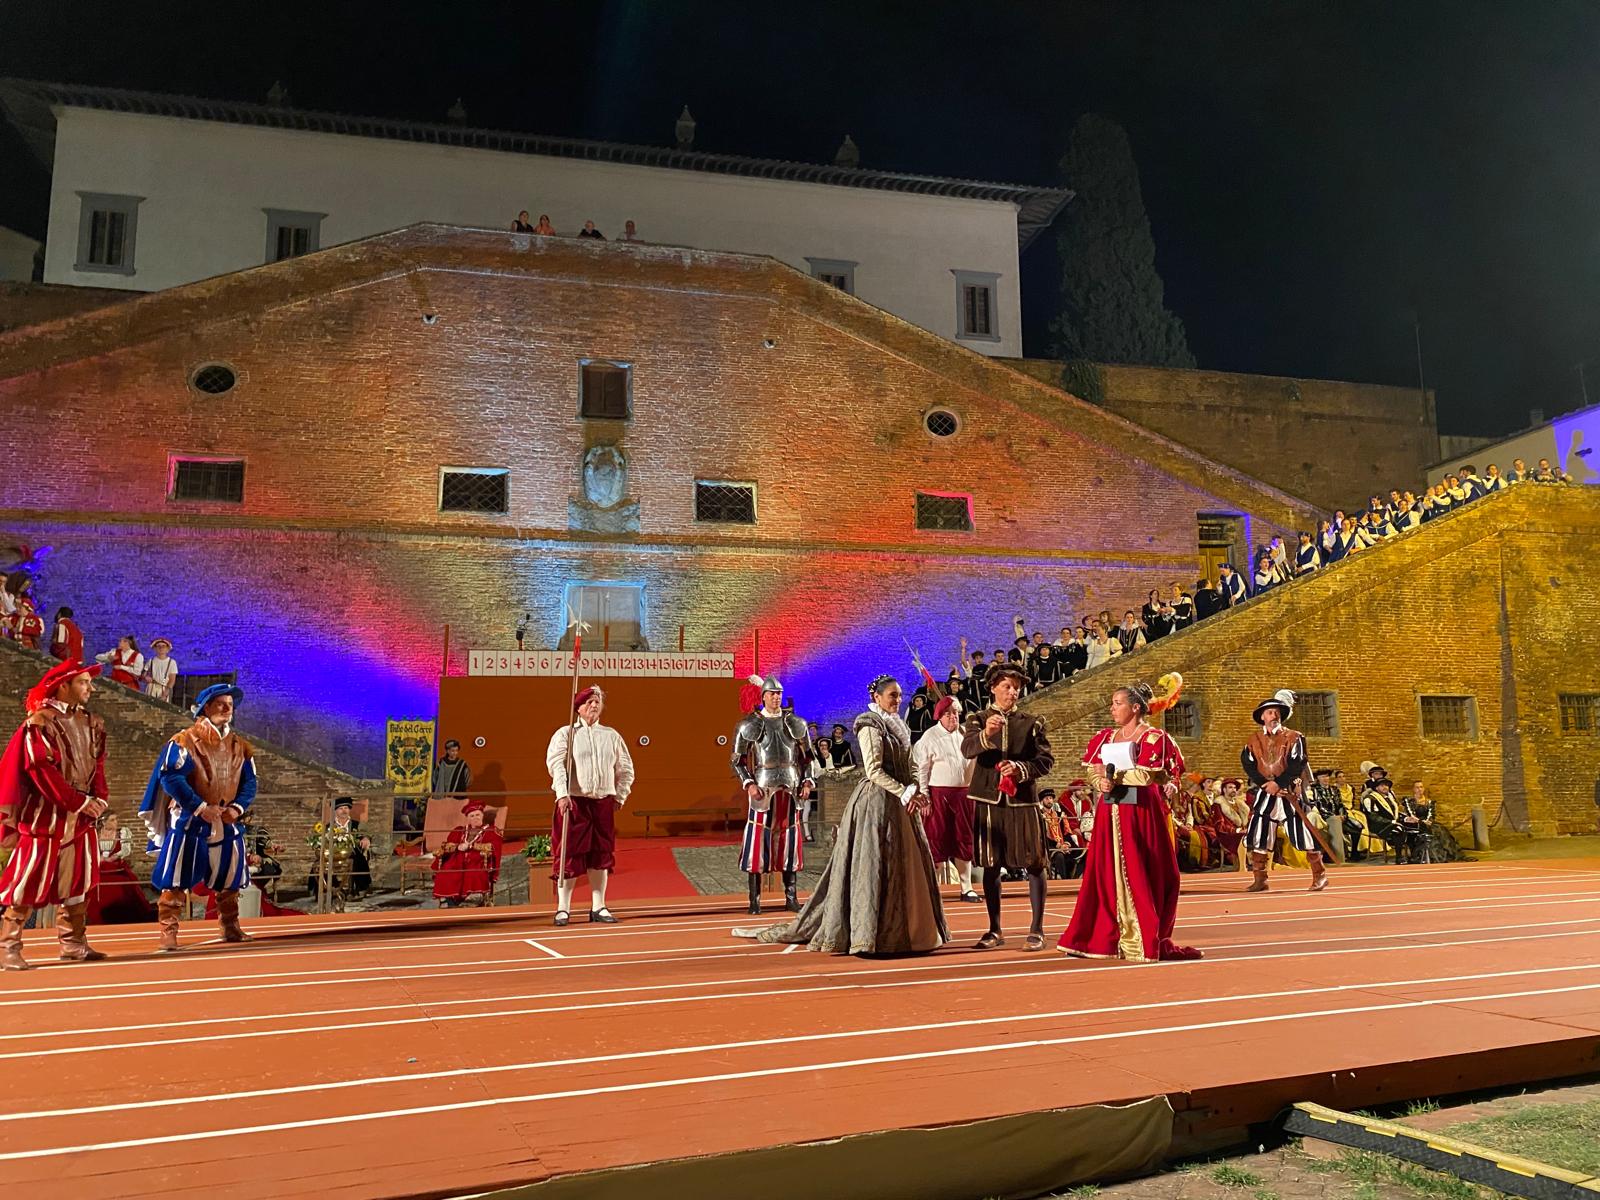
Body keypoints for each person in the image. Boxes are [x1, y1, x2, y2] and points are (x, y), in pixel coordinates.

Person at [735, 674, 948, 955]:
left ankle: (914, 932)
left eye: (899, 695)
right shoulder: (868, 724)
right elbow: (873, 770)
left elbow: (909, 763)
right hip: (876, 803)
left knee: (907, 864)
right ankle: (867, 934)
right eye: (892, 696)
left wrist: (916, 789)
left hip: (901, 802)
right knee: (872, 866)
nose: (897, 700)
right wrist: (905, 792)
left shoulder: (899, 725)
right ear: (877, 697)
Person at [1058, 675, 1200, 962]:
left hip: (1142, 812)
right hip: (1110, 812)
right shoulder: (1105, 737)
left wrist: (1114, 777)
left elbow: (1150, 775)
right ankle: (1109, 935)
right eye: (1112, 703)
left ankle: (1140, 937)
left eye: (1118, 703)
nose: (1112, 708)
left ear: (1135, 707)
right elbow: (1093, 769)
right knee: (1105, 871)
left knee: (1145, 869)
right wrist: (1101, 784)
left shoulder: (1155, 738)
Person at [0, 659, 109, 969]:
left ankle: (73, 943)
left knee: (79, 880)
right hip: (46, 817)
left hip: (81, 816)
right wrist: (78, 802)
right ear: (64, 685)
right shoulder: (39, 723)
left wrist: (100, 799)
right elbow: (40, 770)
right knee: (27, 877)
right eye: (84, 682)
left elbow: (97, 764)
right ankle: (8, 945)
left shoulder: (92, 722)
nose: (91, 688)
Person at [140, 682, 257, 951]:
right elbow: (170, 777)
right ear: (206, 707)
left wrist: (237, 808)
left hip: (227, 819)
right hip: (190, 820)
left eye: (230, 704)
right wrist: (200, 807)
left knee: (230, 879)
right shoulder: (183, 740)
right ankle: (168, 931)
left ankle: (230, 926)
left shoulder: (241, 746)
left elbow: (250, 782)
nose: (228, 709)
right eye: (221, 703)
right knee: (176, 878)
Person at [962, 660, 1054, 952]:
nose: (1012, 692)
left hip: (1023, 801)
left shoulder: (1032, 722)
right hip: (989, 801)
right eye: (1006, 687)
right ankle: (994, 929)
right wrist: (986, 734)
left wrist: (1020, 768)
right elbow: (967, 750)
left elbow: (1045, 762)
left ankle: (1037, 929)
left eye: (1016, 688)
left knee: (1035, 863)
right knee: (991, 865)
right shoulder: (977, 719)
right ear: (993, 688)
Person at [546, 685, 635, 926]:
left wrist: (619, 796)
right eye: (588, 702)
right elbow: (557, 767)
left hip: (602, 803)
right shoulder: (566, 734)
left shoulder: (611, 735)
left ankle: (599, 906)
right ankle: (563, 908)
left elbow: (626, 769)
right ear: (578, 707)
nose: (594, 705)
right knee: (570, 855)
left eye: (597, 702)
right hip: (574, 802)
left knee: (601, 855)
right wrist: (562, 795)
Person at [731, 676, 815, 915]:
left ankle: (791, 896)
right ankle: (754, 900)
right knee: (758, 839)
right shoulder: (748, 725)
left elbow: (807, 758)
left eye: (779, 693)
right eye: (772, 693)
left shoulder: (796, 722)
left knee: (790, 838)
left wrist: (808, 782)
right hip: (763, 784)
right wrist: (748, 783)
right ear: (763, 697)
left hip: (791, 785)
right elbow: (738, 761)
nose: (776, 697)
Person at [1240, 688, 1328, 893]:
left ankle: (1319, 874)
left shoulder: (1294, 737)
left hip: (1288, 791)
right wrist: (1265, 784)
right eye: (1270, 712)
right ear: (1262, 716)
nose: (1274, 715)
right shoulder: (1252, 740)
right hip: (1266, 793)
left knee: (1301, 832)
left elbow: (1298, 763)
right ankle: (1260, 878)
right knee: (1260, 833)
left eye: (1278, 712)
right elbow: (1248, 765)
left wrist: (1279, 783)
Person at [913, 695, 979, 902]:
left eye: (956, 713)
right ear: (939, 716)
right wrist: (924, 797)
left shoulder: (965, 735)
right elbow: (922, 769)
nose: (954, 717)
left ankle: (966, 887)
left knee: (964, 839)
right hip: (938, 795)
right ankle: (932, 889)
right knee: (936, 840)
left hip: (964, 795)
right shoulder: (929, 737)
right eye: (949, 713)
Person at [86, 810, 155, 925]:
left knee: (124, 883)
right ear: (104, 822)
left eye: (116, 819)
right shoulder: (94, 833)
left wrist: (114, 857)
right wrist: (100, 859)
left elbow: (125, 850)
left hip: (116, 867)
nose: (116, 822)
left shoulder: (122, 833)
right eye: (112, 820)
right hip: (99, 867)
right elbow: (89, 849)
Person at [432, 799, 505, 906]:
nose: (475, 818)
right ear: (468, 818)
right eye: (472, 816)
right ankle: (452, 901)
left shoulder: (491, 831)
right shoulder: (460, 830)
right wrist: (458, 847)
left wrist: (471, 846)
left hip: (477, 860)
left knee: (472, 873)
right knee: (446, 871)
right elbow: (447, 845)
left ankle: (458, 901)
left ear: (482, 816)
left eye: (477, 815)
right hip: (458, 859)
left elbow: (492, 847)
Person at [145, 637, 179, 703]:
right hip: (151, 688)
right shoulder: (151, 661)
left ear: (167, 649)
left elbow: (172, 680)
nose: (161, 648)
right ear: (155, 648)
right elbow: (144, 674)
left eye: (163, 646)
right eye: (158, 646)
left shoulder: (172, 662)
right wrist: (146, 677)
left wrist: (165, 694)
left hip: (163, 688)